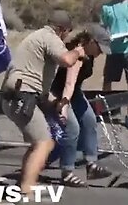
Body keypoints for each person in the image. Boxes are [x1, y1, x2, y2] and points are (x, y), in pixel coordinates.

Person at [0, 9, 86, 197]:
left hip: (17, 95)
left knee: (37, 143)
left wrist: (55, 103)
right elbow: (66, 60)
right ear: (62, 29)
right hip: (23, 96)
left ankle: (25, 182)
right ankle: (27, 188)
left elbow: (38, 85)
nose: (66, 37)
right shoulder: (50, 37)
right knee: (44, 143)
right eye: (67, 33)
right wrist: (77, 51)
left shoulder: (36, 37)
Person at [49, 25, 114, 187]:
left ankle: (91, 165)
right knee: (72, 128)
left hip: (74, 91)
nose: (101, 53)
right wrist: (63, 105)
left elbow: (74, 85)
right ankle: (67, 172)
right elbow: (69, 83)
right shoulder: (76, 54)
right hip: (58, 91)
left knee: (89, 120)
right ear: (91, 41)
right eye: (100, 48)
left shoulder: (90, 56)